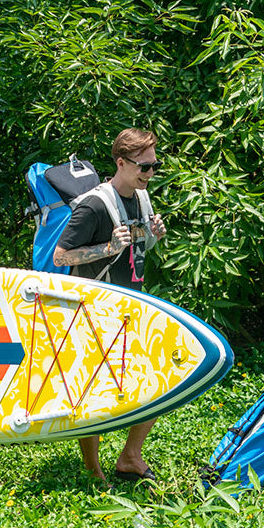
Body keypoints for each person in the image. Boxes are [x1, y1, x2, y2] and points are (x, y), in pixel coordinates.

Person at [53, 128, 167, 485]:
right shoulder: (94, 204)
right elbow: (60, 257)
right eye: (144, 167)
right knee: (91, 388)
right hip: (93, 309)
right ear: (121, 163)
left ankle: (130, 455)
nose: (150, 173)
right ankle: (92, 466)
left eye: (154, 165)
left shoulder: (141, 198)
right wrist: (105, 248)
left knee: (157, 379)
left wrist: (154, 234)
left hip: (133, 305)